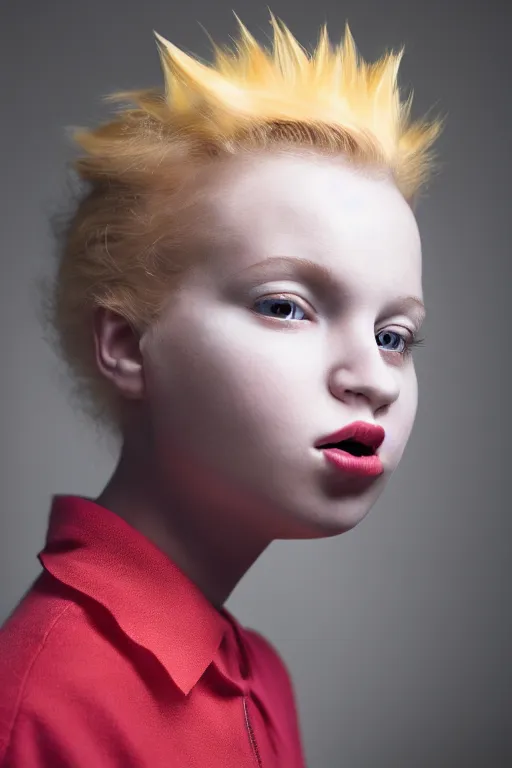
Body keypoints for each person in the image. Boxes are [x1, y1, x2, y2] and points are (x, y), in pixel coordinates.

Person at [0, 12, 442, 767]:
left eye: (393, 336)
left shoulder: (260, 676)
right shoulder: (43, 700)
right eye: (285, 307)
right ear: (127, 344)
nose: (372, 379)